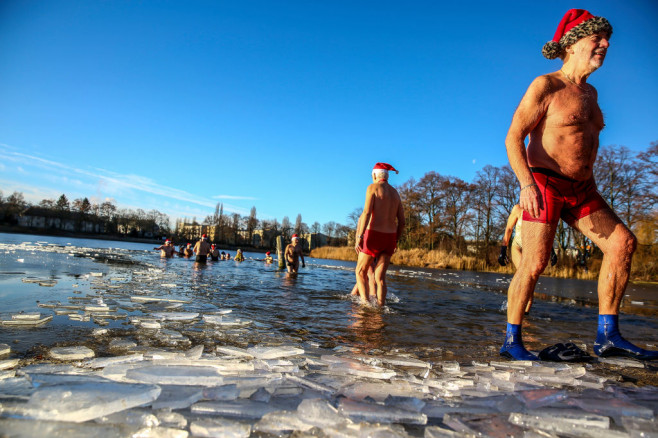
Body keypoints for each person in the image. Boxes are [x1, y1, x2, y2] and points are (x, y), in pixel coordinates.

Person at [502, 9, 657, 361]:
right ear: (571, 45)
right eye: (596, 39)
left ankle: (608, 336)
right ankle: (512, 341)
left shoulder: (592, 93)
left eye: (607, 40)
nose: (604, 45)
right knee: (536, 260)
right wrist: (526, 184)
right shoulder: (546, 85)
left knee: (622, 244)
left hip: (583, 189)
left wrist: (590, 182)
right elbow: (513, 137)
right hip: (544, 183)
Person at [354, 162, 405, 307]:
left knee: (360, 271)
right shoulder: (396, 193)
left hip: (373, 236)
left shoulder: (372, 188)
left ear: (375, 175)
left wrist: (359, 237)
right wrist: (395, 240)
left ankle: (365, 304)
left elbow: (366, 213)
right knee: (380, 278)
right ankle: (381, 308)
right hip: (389, 238)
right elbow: (402, 221)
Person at [498, 204, 558, 314]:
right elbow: (509, 229)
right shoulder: (518, 209)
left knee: (532, 281)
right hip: (518, 247)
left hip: (532, 248)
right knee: (525, 275)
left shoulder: (541, 209)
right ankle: (511, 308)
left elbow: (544, 234)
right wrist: (503, 250)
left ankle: (525, 316)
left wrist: (552, 251)